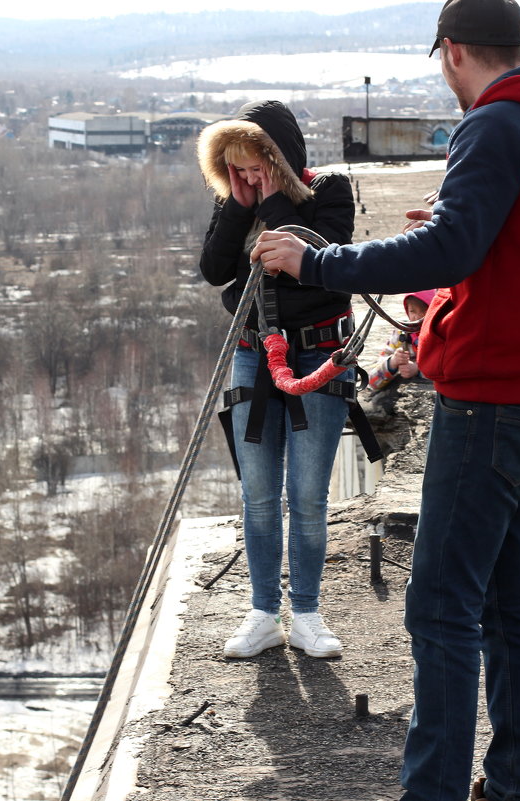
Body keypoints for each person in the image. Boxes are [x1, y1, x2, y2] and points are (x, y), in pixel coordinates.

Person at [250, 1, 520, 799]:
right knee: (505, 602)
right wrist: (456, 235)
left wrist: (318, 262)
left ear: (450, 53)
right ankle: (514, 781)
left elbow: (449, 249)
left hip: (487, 403)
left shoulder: (492, 124)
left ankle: (431, 788)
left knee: (438, 607)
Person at [196, 99, 356, 660]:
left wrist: (274, 201)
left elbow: (323, 267)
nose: (246, 178)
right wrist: (241, 206)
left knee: (307, 495)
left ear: (280, 160)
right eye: (236, 169)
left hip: (320, 356)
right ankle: (264, 612)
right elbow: (215, 269)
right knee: (258, 495)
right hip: (253, 357)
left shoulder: (329, 191)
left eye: (255, 167)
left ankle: (307, 612)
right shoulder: (236, 204)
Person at [367, 289, 436, 392]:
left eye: (423, 311)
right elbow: (372, 381)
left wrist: (418, 370)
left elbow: (451, 371)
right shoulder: (401, 334)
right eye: (412, 311)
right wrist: (392, 363)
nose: (417, 317)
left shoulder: (441, 335)